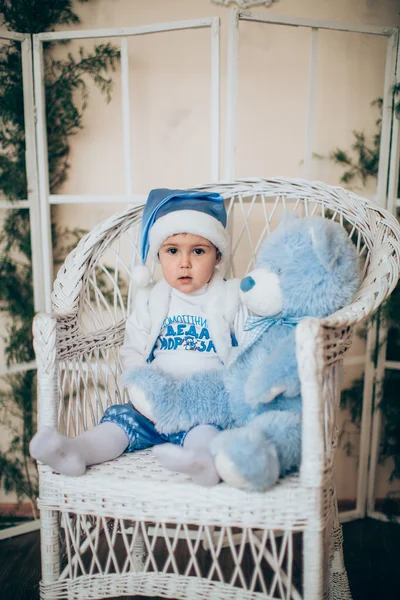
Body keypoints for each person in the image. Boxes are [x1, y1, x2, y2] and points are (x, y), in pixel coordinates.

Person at [30, 189, 246, 485]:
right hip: (154, 404)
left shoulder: (230, 298)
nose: (185, 263)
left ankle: (201, 462)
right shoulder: (151, 300)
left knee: (206, 433)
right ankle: (77, 450)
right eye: (172, 251)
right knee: (120, 422)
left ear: (217, 256)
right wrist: (142, 393)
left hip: (203, 406)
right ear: (158, 257)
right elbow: (132, 350)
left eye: (198, 251)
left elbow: (247, 349)